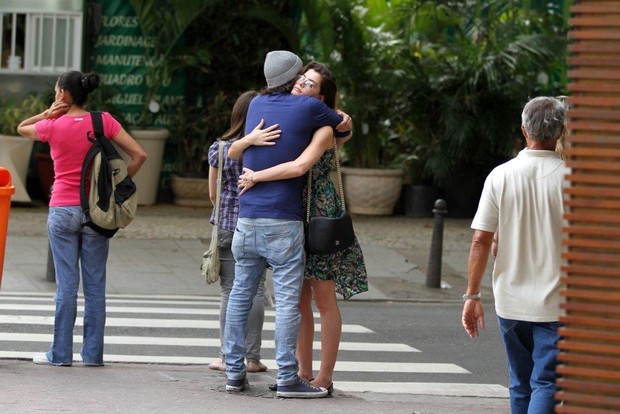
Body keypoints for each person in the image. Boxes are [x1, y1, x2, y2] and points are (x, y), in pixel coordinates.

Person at [232, 61, 368, 394]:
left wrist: (256, 176)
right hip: (292, 212)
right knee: (297, 302)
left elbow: (303, 164)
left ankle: (324, 375)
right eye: (301, 80)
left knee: (323, 299)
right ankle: (300, 370)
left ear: (321, 98)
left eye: (309, 85)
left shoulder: (323, 126)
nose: (300, 86)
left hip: (318, 216)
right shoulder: (294, 116)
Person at [17, 71, 147, 366]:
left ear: (63, 94)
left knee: (66, 286)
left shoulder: (51, 125)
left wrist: (46, 113)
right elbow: (140, 155)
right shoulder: (104, 122)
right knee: (95, 286)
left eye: (55, 91)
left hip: (62, 210)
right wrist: (116, 188)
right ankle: (92, 356)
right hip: (97, 212)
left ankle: (60, 354)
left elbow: (21, 128)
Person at [461, 96, 568, 413]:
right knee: (547, 383)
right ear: (560, 132)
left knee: (520, 381)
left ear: (524, 130)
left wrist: (472, 295)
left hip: (510, 298)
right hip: (558, 301)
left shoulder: (500, 175)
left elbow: (481, 239)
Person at [206, 90, 281, 373]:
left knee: (229, 291)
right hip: (257, 224)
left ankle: (226, 356)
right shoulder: (270, 148)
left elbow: (213, 193)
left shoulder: (221, 148)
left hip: (226, 226)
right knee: (256, 290)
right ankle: (252, 358)